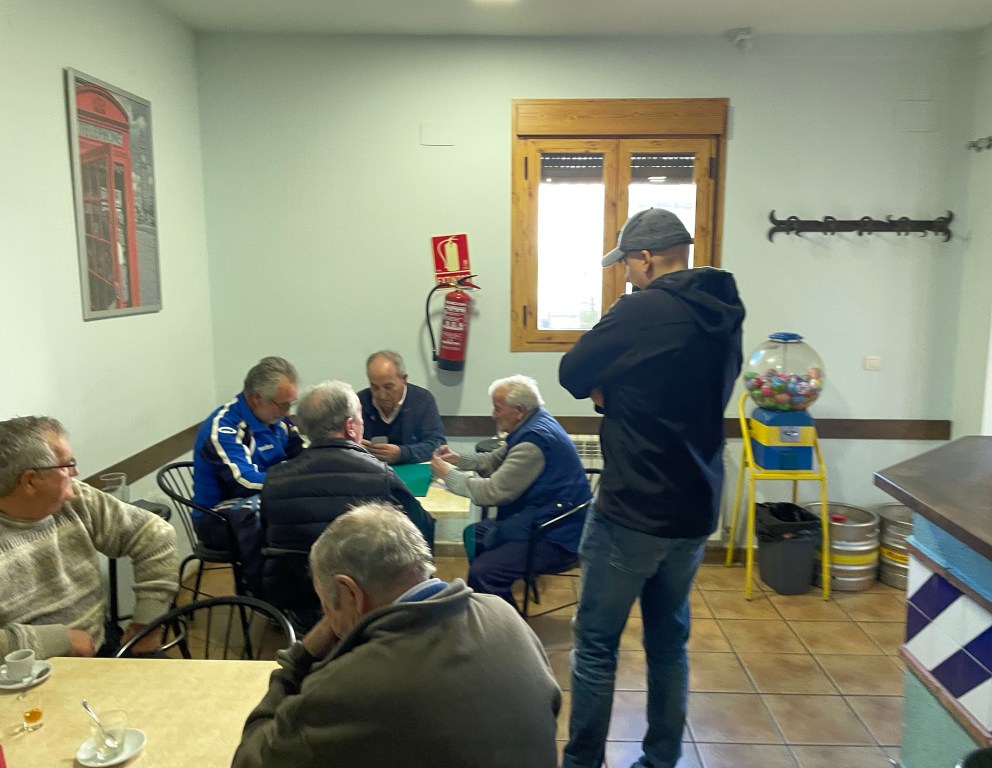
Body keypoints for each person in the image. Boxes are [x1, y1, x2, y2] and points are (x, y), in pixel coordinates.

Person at [558, 208, 745, 768]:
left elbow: (572, 373)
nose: (626, 276)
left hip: (632, 508)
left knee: (595, 645)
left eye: (628, 265)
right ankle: (662, 759)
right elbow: (693, 392)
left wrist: (607, 391)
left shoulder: (641, 310)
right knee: (668, 643)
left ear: (644, 257)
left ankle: (583, 762)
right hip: (694, 507)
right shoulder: (725, 312)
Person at [231, 502, 561, 768]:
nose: (328, 619)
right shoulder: (504, 614)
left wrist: (298, 660)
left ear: (349, 593)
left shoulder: (348, 686)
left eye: (326, 605)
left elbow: (251, 759)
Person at [0, 416, 177, 659]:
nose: (76, 471)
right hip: (24, 676)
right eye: (66, 464)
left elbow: (155, 535)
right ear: (30, 481)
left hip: (101, 647)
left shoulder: (75, 501)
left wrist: (148, 621)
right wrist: (57, 641)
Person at [260, 380, 436, 613]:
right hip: (365, 601)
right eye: (361, 418)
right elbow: (421, 530)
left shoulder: (275, 479)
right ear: (351, 427)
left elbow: (267, 537)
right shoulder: (379, 475)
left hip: (299, 598)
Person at [430, 375, 591, 607]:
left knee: (483, 572)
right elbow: (494, 460)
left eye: (497, 408)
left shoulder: (532, 444)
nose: (493, 415)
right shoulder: (535, 421)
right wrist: (457, 459)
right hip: (542, 518)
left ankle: (506, 630)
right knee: (474, 536)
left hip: (557, 535)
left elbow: (491, 493)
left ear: (518, 410)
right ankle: (491, 603)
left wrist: (448, 474)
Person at [192, 356, 304, 594]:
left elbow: (302, 456)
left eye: (290, 405)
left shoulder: (278, 420)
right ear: (256, 398)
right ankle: (263, 594)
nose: (287, 413)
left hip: (262, 503)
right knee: (258, 511)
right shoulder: (224, 428)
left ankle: (302, 593)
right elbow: (244, 481)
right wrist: (293, 483)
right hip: (216, 519)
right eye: (283, 405)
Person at [357, 350, 444, 464]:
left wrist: (402, 453)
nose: (382, 396)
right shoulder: (359, 402)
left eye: (388, 387)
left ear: (404, 379)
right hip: (370, 472)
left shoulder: (422, 400)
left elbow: (438, 445)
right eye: (375, 387)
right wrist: (356, 446)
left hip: (413, 471)